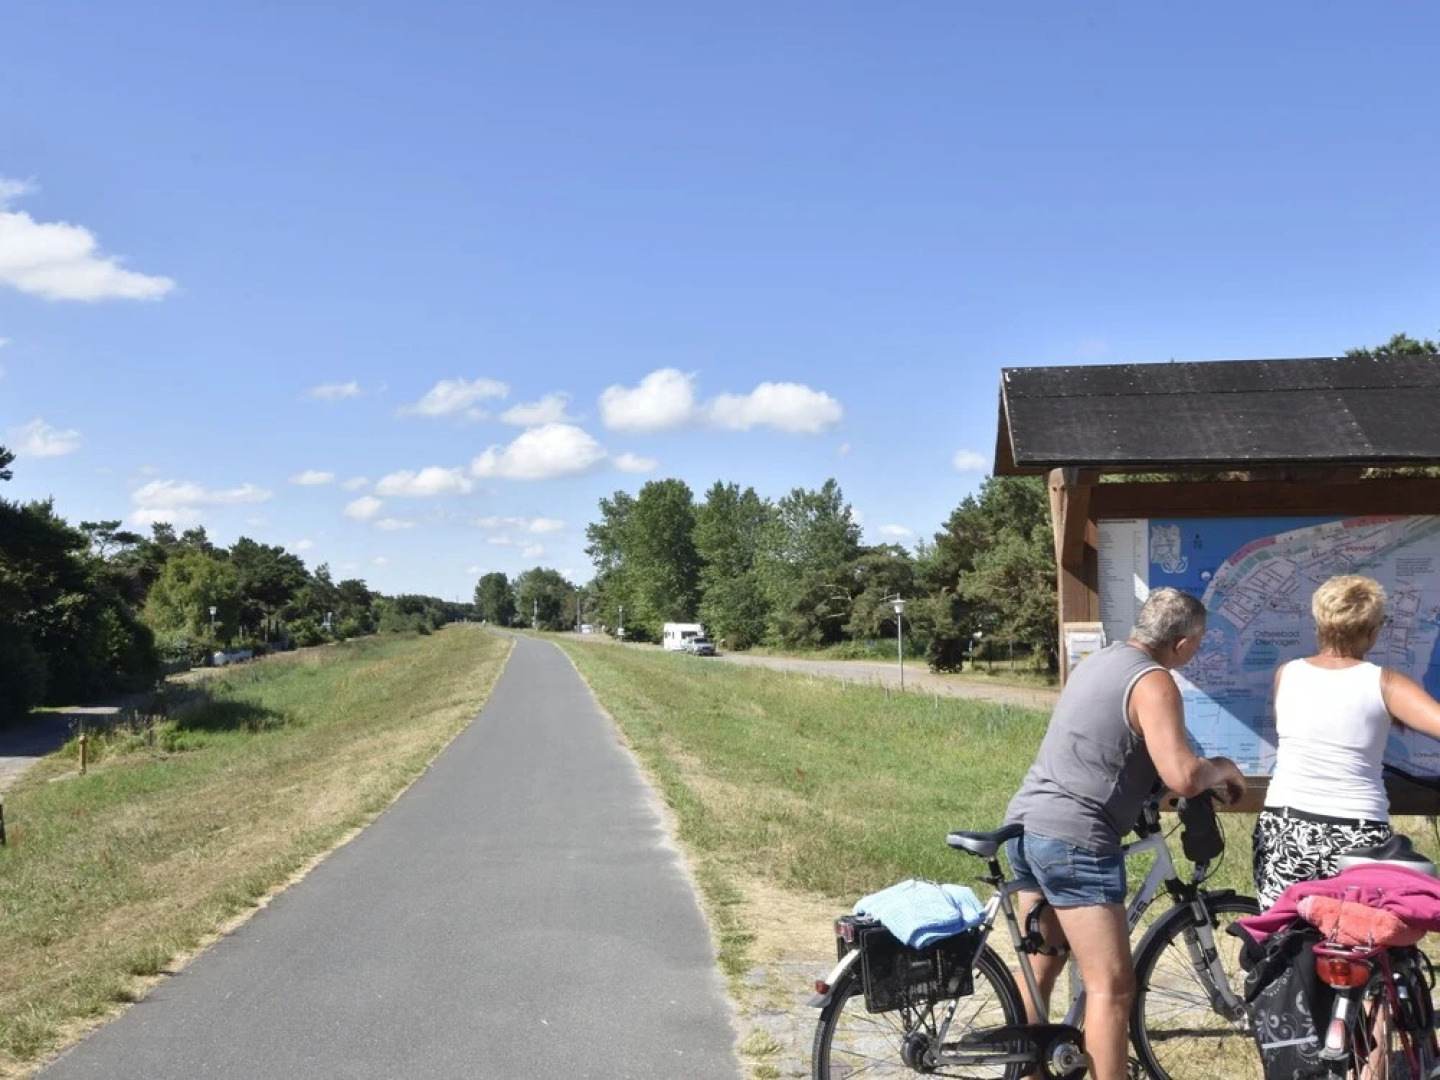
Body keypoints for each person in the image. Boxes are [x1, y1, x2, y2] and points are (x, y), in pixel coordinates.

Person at [1003, 587, 1246, 1080]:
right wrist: (1223, 767)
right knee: (1112, 987)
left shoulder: (1099, 662)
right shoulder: (1153, 681)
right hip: (1075, 839)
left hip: (1027, 825)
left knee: (1041, 966)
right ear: (1181, 644)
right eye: (1198, 644)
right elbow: (1183, 775)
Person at [1252, 574, 1440, 908]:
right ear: (1372, 632)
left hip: (1285, 825)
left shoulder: (1287, 674)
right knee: (1359, 933)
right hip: (1358, 832)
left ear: (1319, 625)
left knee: (1284, 931)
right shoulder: (1385, 684)